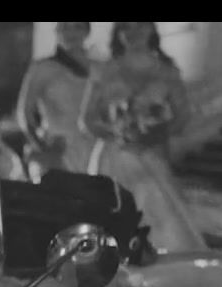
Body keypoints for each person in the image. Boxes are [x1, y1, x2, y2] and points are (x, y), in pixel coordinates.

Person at [80, 21, 205, 252]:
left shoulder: (166, 71)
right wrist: (117, 135)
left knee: (158, 214)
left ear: (151, 30)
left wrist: (156, 134)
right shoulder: (104, 71)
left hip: (151, 155)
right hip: (113, 157)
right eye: (127, 27)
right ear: (119, 34)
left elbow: (183, 115)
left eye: (141, 26)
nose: (135, 33)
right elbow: (86, 120)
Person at [17, 22, 99, 178]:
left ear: (87, 31)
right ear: (57, 31)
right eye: (66, 28)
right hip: (58, 148)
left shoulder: (99, 67)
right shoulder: (43, 68)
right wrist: (41, 147)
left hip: (93, 148)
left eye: (77, 27)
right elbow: (25, 112)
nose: (71, 33)